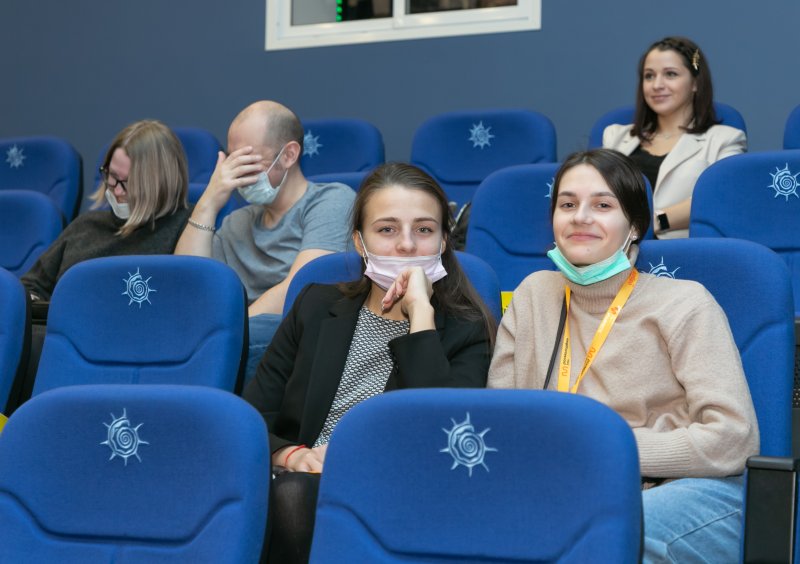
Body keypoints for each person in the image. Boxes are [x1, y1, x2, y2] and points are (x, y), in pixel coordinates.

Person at [488, 149, 758, 563]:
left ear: (633, 226)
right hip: (560, 485)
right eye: (567, 205)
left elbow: (733, 439)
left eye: (602, 205)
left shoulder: (685, 303)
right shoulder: (533, 295)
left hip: (679, 487)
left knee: (602, 535)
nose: (580, 217)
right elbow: (501, 424)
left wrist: (603, 449)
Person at [243, 162, 495, 563]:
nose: (407, 245)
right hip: (299, 477)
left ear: (444, 241)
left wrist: (421, 315)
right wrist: (292, 455)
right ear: (359, 242)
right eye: (387, 229)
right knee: (285, 492)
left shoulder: (468, 330)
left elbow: (440, 435)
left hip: (399, 488)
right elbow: (252, 415)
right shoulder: (315, 305)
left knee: (292, 497)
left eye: (424, 230)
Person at [174, 101, 355, 382]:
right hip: (237, 338)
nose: (238, 174)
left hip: (293, 337)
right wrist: (209, 201)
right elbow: (190, 286)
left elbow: (301, 288)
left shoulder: (331, 200)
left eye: (248, 161)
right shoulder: (237, 222)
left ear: (289, 155)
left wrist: (223, 334)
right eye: (232, 161)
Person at [21, 119, 191, 301]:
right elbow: (31, 286)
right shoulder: (85, 226)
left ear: (160, 185)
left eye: (129, 183)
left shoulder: (186, 227)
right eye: (113, 176)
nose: (117, 191)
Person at [603, 36, 746, 238]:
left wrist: (655, 222)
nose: (657, 85)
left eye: (670, 74)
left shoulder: (725, 140)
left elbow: (719, 198)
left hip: (679, 250)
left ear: (695, 82)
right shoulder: (615, 136)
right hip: (615, 249)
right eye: (649, 76)